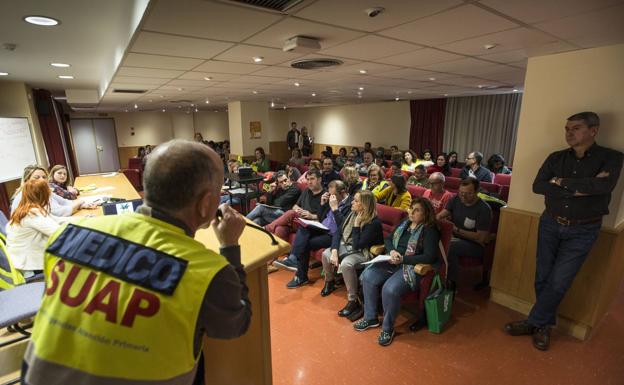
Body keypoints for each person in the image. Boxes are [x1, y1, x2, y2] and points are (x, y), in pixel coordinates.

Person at [22, 139, 251, 385]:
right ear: (206, 204)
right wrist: (229, 246)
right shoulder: (207, 272)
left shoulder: (66, 235)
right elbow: (234, 324)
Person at [504, 111, 623, 351]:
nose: (569, 133)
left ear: (593, 130)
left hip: (584, 229)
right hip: (550, 222)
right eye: (567, 129)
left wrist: (559, 182)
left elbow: (603, 186)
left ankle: (534, 322)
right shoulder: (556, 158)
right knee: (543, 277)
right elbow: (538, 186)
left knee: (559, 282)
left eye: (576, 128)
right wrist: (583, 187)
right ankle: (543, 326)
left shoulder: (611, 157)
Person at [355, 198, 440, 346]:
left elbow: (429, 256)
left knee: (390, 289)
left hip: (410, 267)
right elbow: (388, 240)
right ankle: (371, 318)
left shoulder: (430, 230)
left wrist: (403, 259)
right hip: (392, 260)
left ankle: (388, 328)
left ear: (426, 213)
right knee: (368, 277)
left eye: (417, 210)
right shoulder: (404, 223)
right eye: (411, 208)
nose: (411, 212)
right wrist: (392, 251)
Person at [321, 190, 383, 321]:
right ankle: (330, 281)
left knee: (346, 264)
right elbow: (339, 232)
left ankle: (353, 300)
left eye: (355, 201)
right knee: (325, 254)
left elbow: (357, 245)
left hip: (365, 252)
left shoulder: (373, 223)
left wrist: (356, 225)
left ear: (364, 205)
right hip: (349, 246)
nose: (352, 203)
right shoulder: (352, 213)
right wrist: (334, 251)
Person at [281, 180, 352, 284]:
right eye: (329, 194)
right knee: (303, 227)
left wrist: (335, 209)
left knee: (306, 244)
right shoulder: (332, 199)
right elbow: (321, 217)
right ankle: (293, 258)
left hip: (333, 235)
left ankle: (300, 277)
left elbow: (344, 226)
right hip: (322, 227)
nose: (331, 197)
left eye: (333, 195)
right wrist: (322, 204)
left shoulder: (351, 204)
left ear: (342, 192)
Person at [437, 178, 492, 291]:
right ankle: (435, 276)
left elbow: (480, 238)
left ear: (477, 192)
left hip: (475, 245)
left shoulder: (484, 209)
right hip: (456, 237)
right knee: (436, 240)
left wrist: (455, 229)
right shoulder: (456, 199)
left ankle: (451, 284)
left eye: (468, 194)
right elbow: (440, 216)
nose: (463, 196)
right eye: (461, 193)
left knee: (450, 247)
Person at [6, 179, 66, 276]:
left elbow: (56, 219)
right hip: (30, 267)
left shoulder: (26, 209)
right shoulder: (32, 213)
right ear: (43, 194)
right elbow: (58, 232)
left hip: (23, 261)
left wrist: (84, 219)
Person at [267, 169, 326, 241]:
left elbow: (325, 217)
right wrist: (299, 210)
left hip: (313, 223)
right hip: (300, 220)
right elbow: (295, 206)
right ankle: (282, 251)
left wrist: (311, 215)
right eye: (307, 179)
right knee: (280, 229)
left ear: (319, 179)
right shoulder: (306, 190)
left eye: (312, 179)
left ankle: (266, 229)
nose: (309, 182)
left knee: (291, 213)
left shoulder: (325, 195)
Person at [11, 165, 91, 217]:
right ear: (26, 180)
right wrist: (80, 202)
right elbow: (60, 213)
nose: (42, 180)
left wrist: (81, 206)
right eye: (37, 177)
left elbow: (64, 202)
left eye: (44, 177)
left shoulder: (45, 191)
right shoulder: (25, 196)